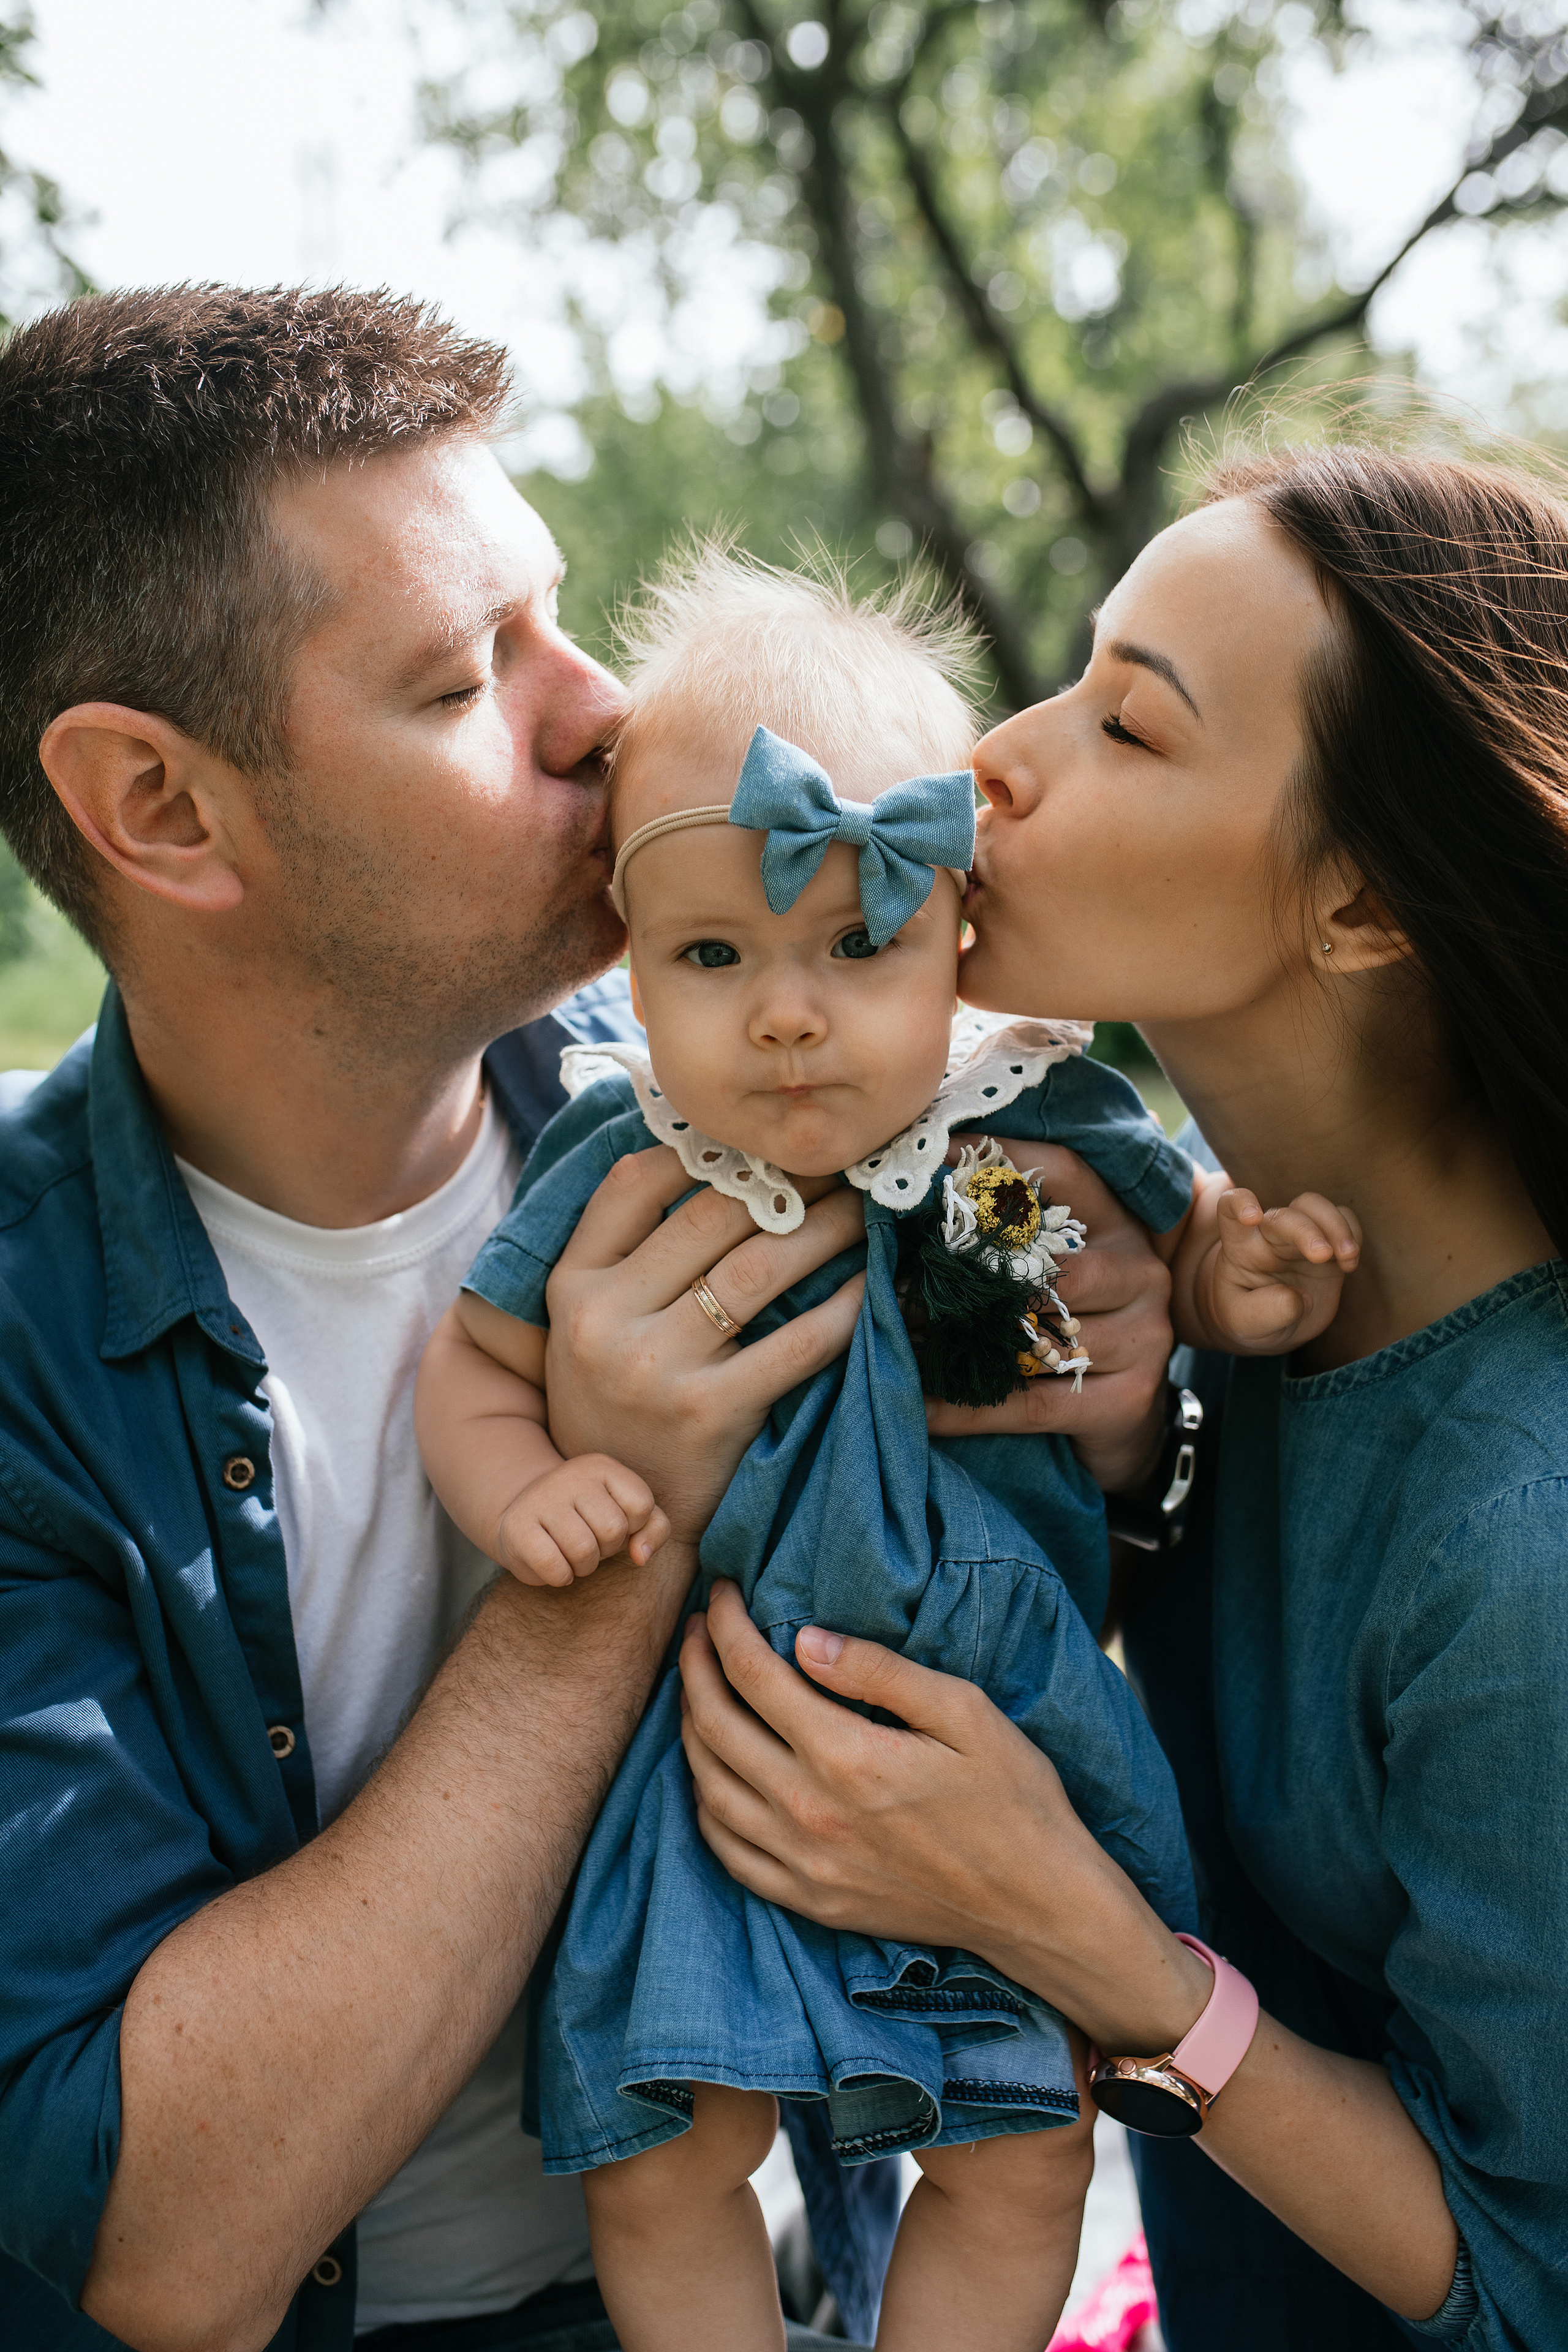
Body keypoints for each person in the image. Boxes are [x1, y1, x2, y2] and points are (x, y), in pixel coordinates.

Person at [0, 285, 1177, 2352]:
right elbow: (164, 2244)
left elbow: (1071, 1481)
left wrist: (1131, 1398)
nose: (602, 708)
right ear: (162, 807)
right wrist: (622, 1524)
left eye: (560, 621)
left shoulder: (763, 1098)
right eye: (468, 676)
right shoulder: (26, 1345)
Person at [672, 440, 1568, 2351]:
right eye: (1069, 677)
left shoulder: (1526, 1544)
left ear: (1361, 904)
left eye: (1129, 725)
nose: (996, 757)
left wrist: (1078, 1939)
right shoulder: (1195, 1271)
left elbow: (1529, 2285)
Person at [414, 546, 1358, 2352]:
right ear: (630, 958)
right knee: (667, 2159)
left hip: (1001, 1728)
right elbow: (478, 1361)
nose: (787, 1012)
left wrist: (1234, 1287)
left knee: (1024, 2157)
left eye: (860, 944)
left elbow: (1167, 1261)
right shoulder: (625, 1155)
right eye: (713, 955)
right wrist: (527, 1488)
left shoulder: (1031, 1116)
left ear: (958, 936)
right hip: (720, 1736)